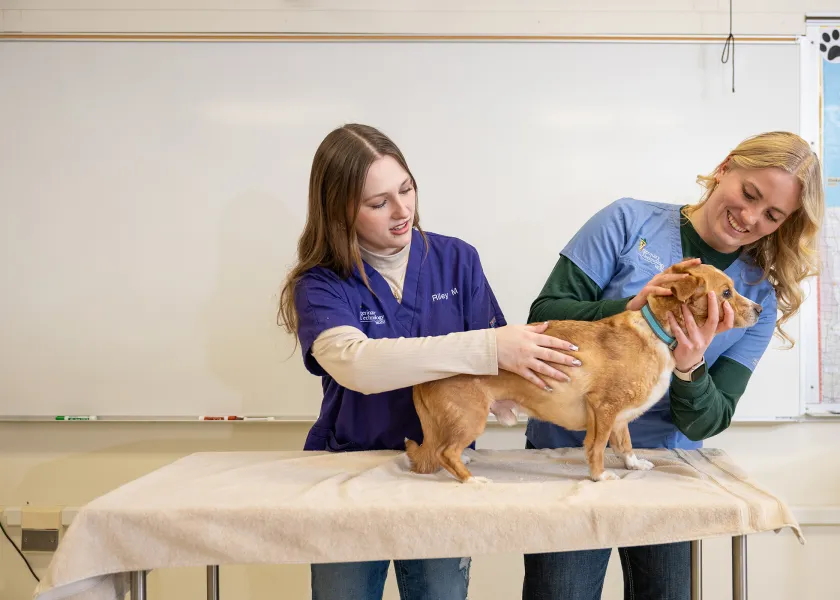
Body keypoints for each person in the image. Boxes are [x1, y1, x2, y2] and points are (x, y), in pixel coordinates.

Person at [277, 123, 581, 600]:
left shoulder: (457, 259)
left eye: (407, 189)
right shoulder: (320, 283)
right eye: (378, 203)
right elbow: (359, 366)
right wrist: (486, 348)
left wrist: (519, 390)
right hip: (351, 473)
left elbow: (498, 367)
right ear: (339, 211)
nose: (402, 211)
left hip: (443, 468)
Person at [521, 131, 824, 600]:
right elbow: (542, 320)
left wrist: (691, 366)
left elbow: (711, 417)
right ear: (725, 167)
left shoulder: (755, 298)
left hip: (667, 469)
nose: (749, 218)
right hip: (567, 457)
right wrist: (631, 308)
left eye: (772, 215)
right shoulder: (626, 222)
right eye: (748, 194)